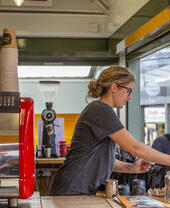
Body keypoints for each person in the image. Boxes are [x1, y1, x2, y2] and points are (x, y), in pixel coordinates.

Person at [49, 65, 170, 196]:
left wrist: (132, 167)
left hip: (76, 189)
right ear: (114, 87)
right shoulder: (100, 110)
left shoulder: (102, 110)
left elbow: (104, 161)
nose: (129, 97)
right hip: (70, 190)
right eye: (128, 91)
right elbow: (135, 148)